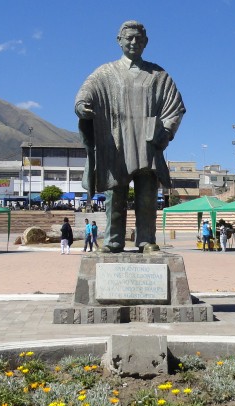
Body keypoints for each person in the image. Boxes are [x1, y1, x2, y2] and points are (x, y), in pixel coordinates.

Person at [75, 21, 186, 253]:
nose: (134, 42)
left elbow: (175, 107)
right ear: (119, 41)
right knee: (114, 196)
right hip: (115, 143)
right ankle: (113, 240)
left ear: (145, 42)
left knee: (147, 197)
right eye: (129, 38)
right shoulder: (105, 73)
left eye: (138, 38)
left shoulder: (158, 75)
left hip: (147, 145)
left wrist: (165, 131)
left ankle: (146, 239)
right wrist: (82, 106)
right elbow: (86, 93)